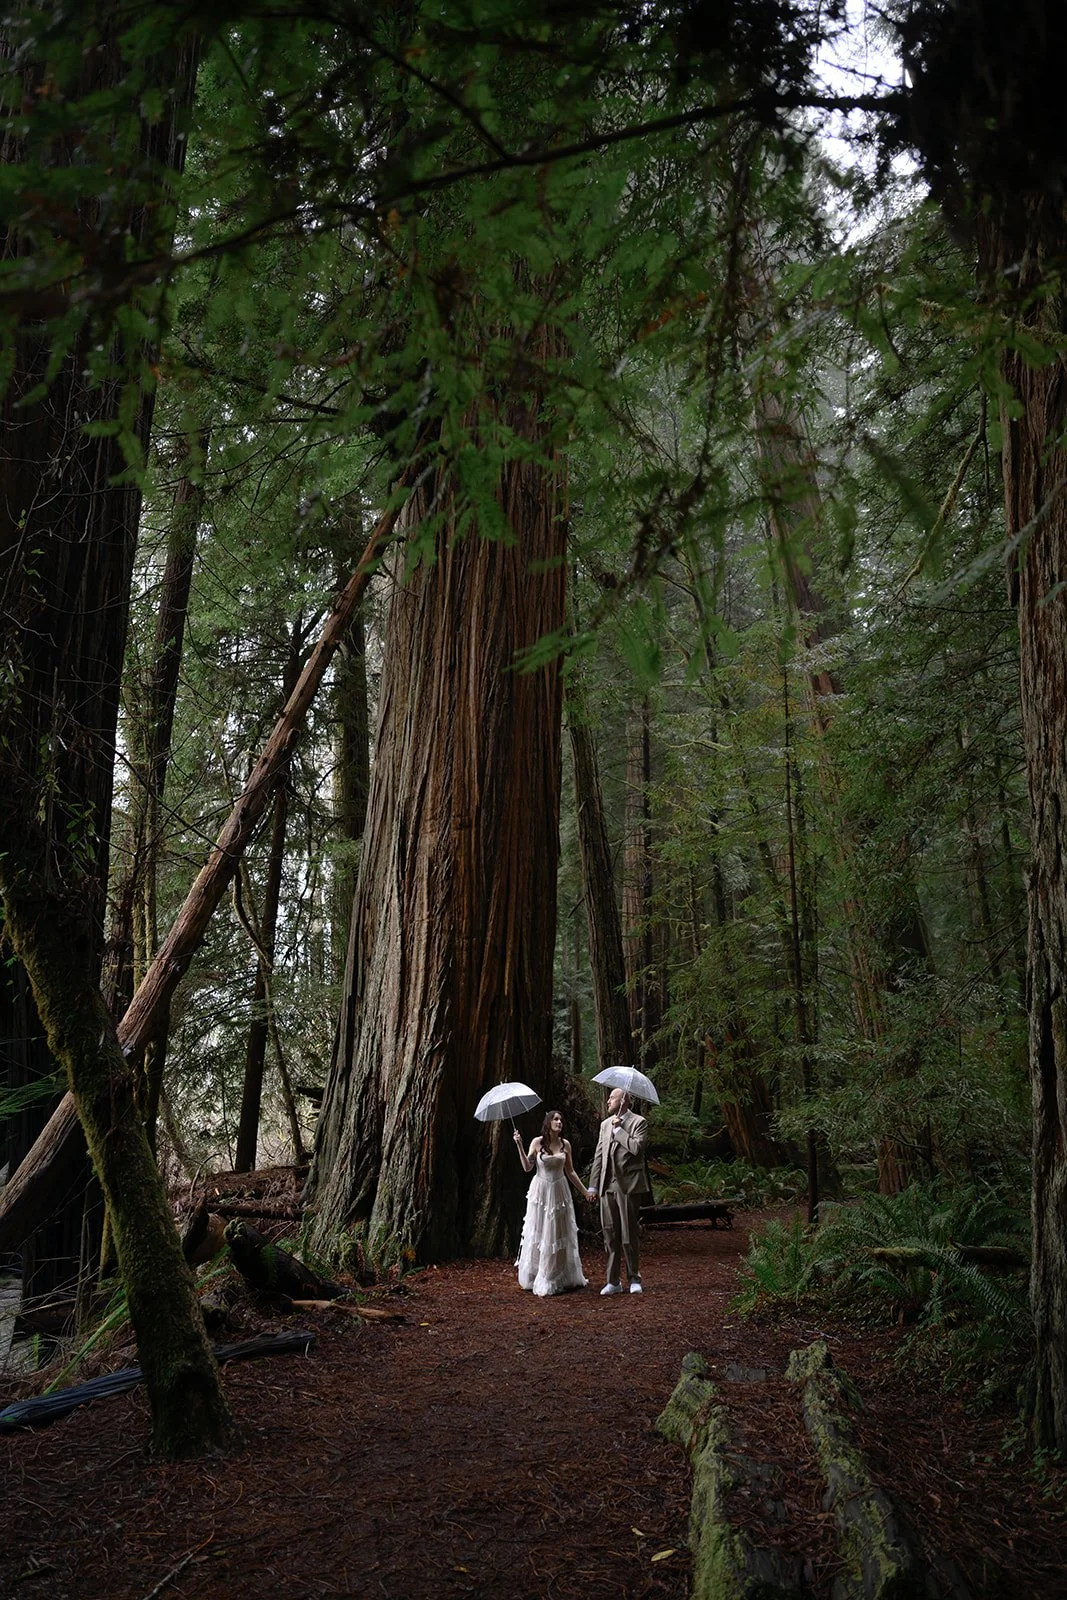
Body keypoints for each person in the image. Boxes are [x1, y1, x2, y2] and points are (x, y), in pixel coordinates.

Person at [513, 1111, 590, 1296]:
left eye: (561, 1119)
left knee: (557, 1232)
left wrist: (585, 1192)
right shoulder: (537, 1143)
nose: (559, 1122)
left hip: (559, 1191)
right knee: (540, 1230)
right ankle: (537, 1274)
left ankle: (557, 1274)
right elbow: (527, 1167)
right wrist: (519, 1145)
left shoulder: (566, 1145)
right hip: (541, 1192)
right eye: (555, 1119)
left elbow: (570, 1172)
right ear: (548, 1122)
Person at [587, 1087, 649, 1295]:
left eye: (612, 1098)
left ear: (623, 1101)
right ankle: (613, 1281)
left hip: (629, 1186)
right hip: (607, 1186)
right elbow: (599, 1156)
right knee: (610, 1234)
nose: (608, 1101)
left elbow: (637, 1149)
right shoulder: (604, 1125)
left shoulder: (638, 1122)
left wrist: (619, 1131)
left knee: (628, 1234)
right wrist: (593, 1186)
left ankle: (634, 1278)